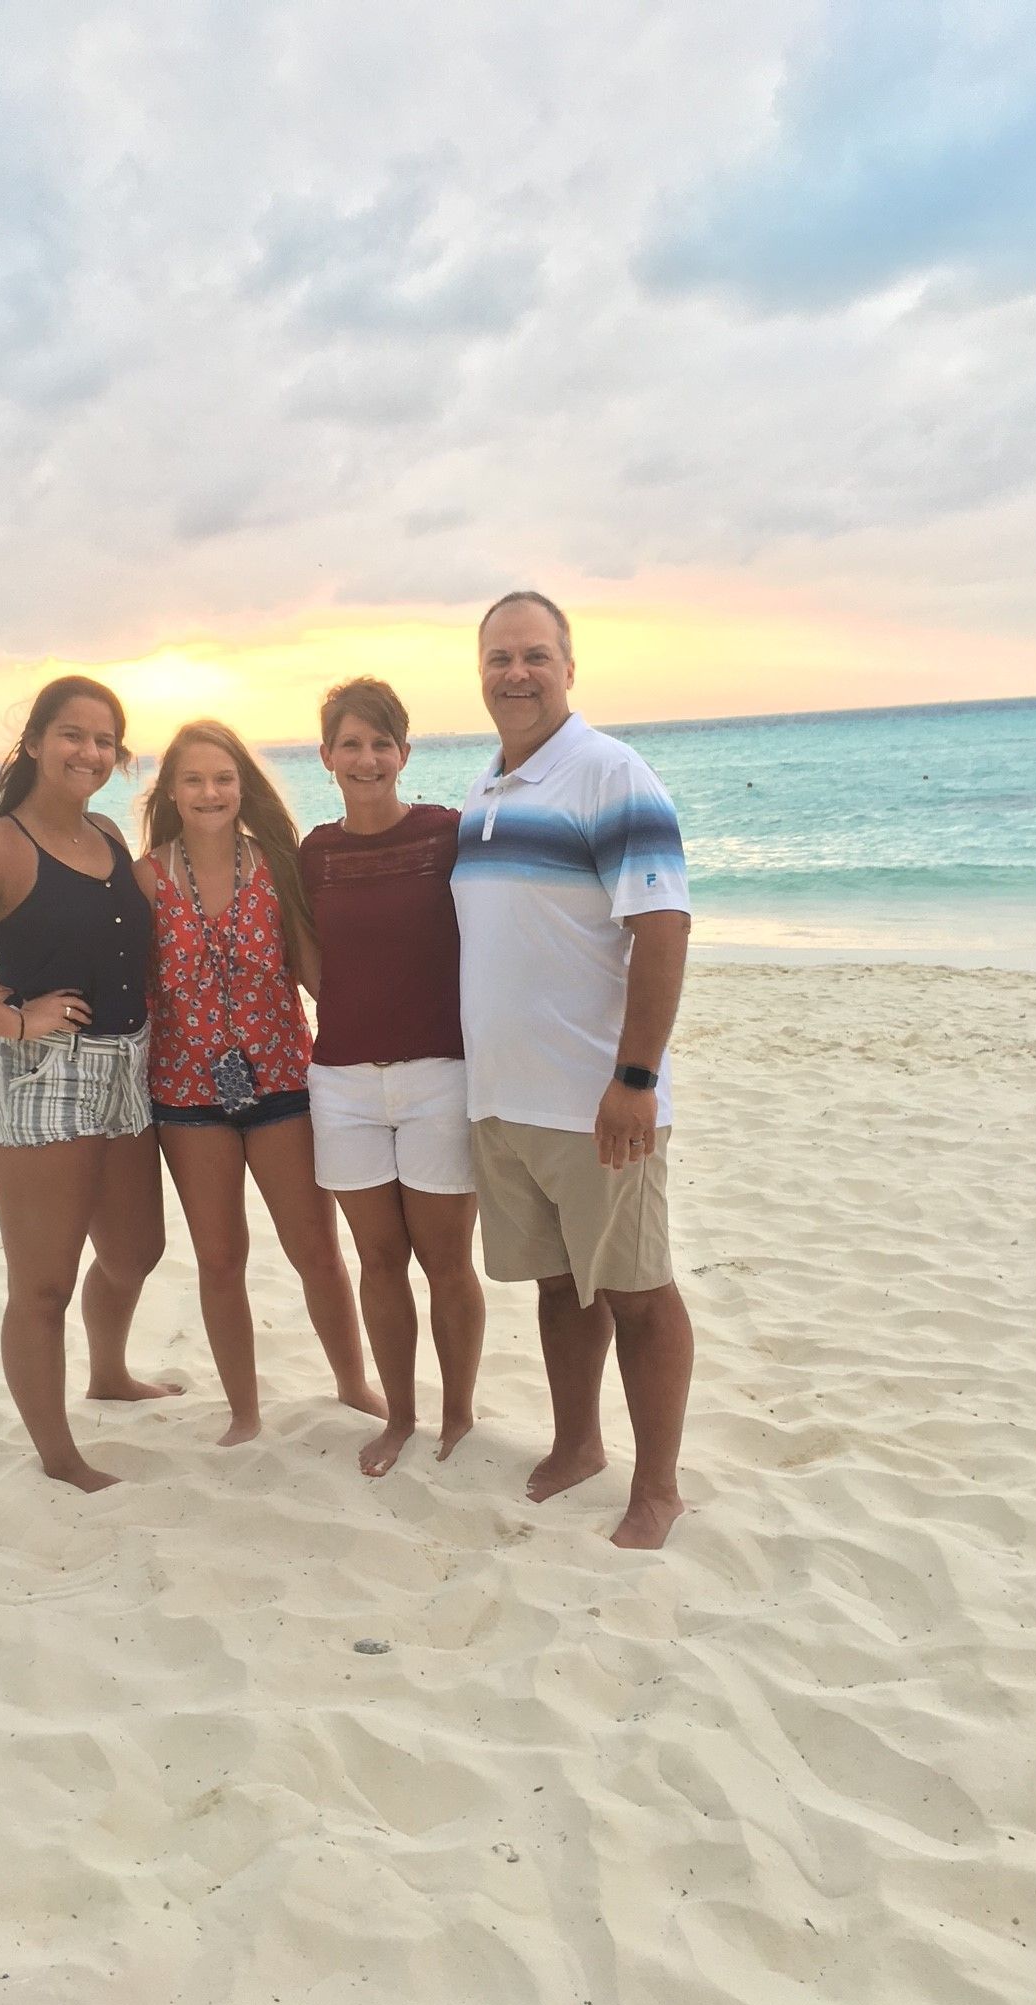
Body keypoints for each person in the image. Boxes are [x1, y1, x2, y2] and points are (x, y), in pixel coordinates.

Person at [0, 675, 178, 1494]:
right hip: (41, 1076)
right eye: (73, 735)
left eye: (105, 740)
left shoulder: (111, 835)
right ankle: (60, 1457)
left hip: (128, 1065)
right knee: (43, 1283)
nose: (89, 752)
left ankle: (109, 1373)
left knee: (135, 1251)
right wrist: (11, 1021)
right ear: (37, 745)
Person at [452, 592, 695, 1549]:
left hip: (599, 1102)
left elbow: (663, 929)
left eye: (535, 656)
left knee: (638, 1292)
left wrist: (635, 1078)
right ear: (480, 672)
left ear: (568, 667)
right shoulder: (485, 789)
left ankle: (660, 1489)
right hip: (505, 1104)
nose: (517, 673)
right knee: (560, 1288)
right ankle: (579, 1444)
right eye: (500, 658)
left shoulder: (610, 773)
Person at [133, 721, 384, 1445]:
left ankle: (352, 1383)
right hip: (186, 1097)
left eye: (223, 779)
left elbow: (315, 973)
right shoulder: (147, 877)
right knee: (220, 1259)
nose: (210, 792)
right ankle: (244, 1412)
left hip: (281, 1083)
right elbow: (119, 978)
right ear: (172, 793)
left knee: (316, 1251)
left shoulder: (276, 864)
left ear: (243, 787)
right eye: (194, 780)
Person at [300, 678, 483, 1476]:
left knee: (447, 1262)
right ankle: (401, 1416)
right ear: (326, 756)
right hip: (341, 1083)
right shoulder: (315, 852)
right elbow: (307, 961)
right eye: (351, 743)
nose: (366, 758)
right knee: (378, 1262)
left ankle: (458, 1415)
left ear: (405, 753)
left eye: (382, 743)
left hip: (442, 1074)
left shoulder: (448, 833)